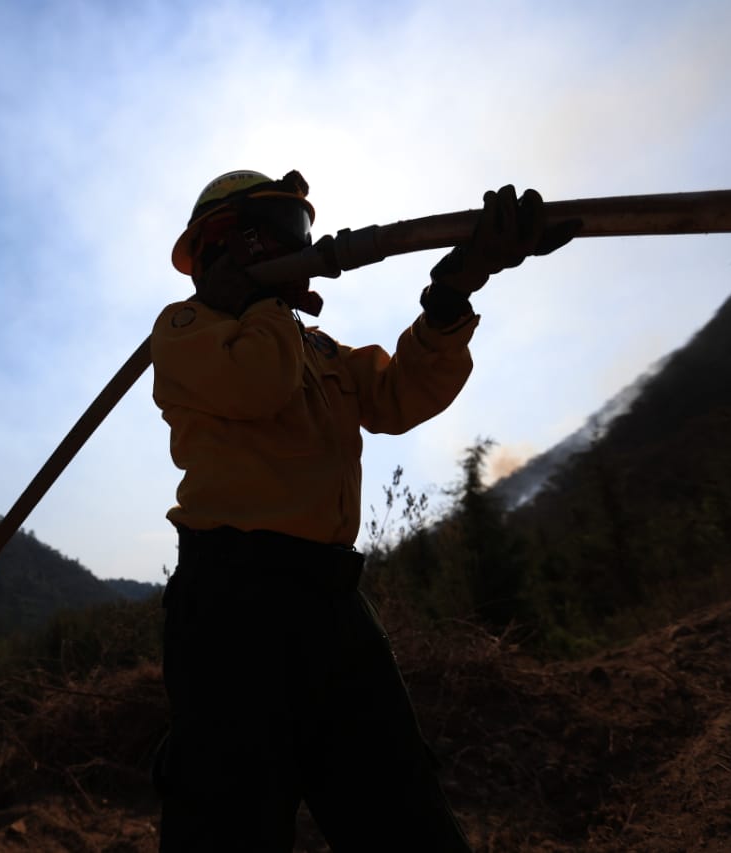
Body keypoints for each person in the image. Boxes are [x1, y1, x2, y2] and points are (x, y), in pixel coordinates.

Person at [148, 169, 579, 852]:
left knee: (403, 813)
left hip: (330, 602)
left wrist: (458, 286)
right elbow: (257, 384)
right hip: (233, 606)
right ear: (226, 244)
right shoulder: (184, 330)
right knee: (228, 822)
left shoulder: (316, 349)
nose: (299, 247)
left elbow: (400, 394)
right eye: (282, 233)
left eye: (300, 233)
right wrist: (257, 303)